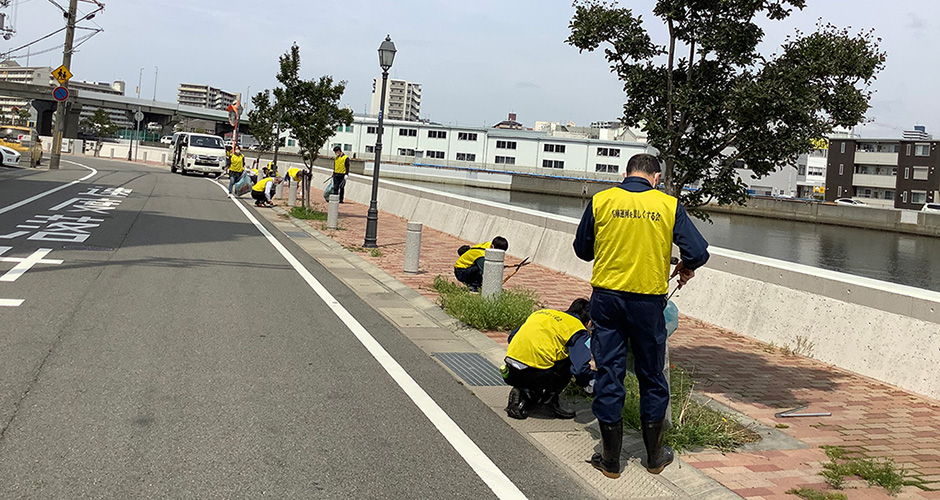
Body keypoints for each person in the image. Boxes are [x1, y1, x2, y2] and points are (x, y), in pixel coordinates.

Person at [573, 153, 709, 479]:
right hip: (648, 302)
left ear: (625, 174)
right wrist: (686, 266)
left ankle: (609, 460)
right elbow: (698, 251)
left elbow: (583, 250)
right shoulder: (668, 204)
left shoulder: (602, 200)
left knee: (609, 371)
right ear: (656, 178)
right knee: (651, 374)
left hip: (607, 299)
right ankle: (654, 457)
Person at [502, 298, 596, 420]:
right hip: (536, 375)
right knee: (569, 358)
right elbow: (579, 369)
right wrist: (590, 382)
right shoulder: (577, 329)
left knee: (548, 355)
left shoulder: (542, 314)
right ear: (589, 322)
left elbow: (512, 337)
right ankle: (550, 401)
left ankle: (524, 392)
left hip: (510, 370)